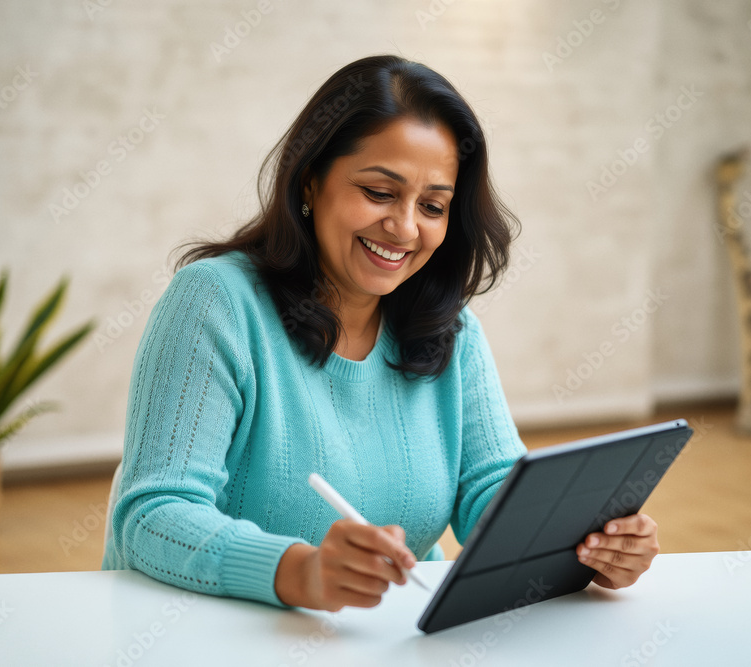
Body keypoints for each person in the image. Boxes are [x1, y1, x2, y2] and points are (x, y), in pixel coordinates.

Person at [102, 54, 659, 612]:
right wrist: (301, 573)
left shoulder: (451, 329)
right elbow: (153, 516)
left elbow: (491, 488)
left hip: (391, 634)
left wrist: (583, 545)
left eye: (434, 205)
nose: (406, 228)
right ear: (310, 181)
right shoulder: (215, 301)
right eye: (379, 192)